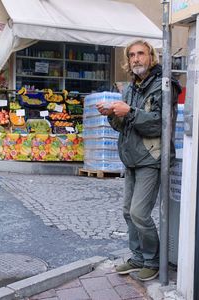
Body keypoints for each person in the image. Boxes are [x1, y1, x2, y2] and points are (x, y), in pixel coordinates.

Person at [96, 40, 181, 281]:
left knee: (139, 213)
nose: (136, 59)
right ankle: (137, 258)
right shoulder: (131, 87)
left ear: (151, 56)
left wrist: (129, 112)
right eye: (132, 55)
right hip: (132, 158)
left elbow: (158, 123)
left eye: (141, 54)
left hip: (151, 158)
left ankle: (153, 261)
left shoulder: (164, 85)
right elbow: (123, 127)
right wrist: (112, 115)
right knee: (127, 212)